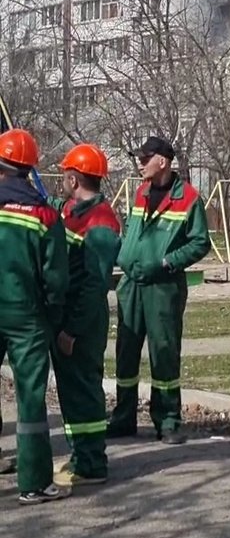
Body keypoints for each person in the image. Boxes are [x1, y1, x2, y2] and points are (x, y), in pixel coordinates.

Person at [108, 136, 209, 445]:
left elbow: (200, 242)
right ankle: (123, 418)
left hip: (163, 287)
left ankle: (167, 421)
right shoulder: (139, 193)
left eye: (144, 157)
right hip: (131, 284)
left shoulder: (189, 198)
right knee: (125, 353)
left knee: (163, 353)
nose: (139, 163)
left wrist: (167, 262)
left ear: (162, 161)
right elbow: (132, 233)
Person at [0, 128, 69, 505]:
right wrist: (54, 317)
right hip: (26, 314)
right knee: (29, 398)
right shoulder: (44, 214)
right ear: (29, 168)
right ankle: (34, 483)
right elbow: (56, 277)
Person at [50, 143, 121, 488]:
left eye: (64, 176)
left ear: (73, 178)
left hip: (83, 320)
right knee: (72, 391)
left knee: (84, 391)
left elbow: (95, 284)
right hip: (69, 316)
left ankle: (92, 463)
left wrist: (72, 329)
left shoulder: (101, 222)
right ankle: (81, 455)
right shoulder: (72, 212)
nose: (62, 182)